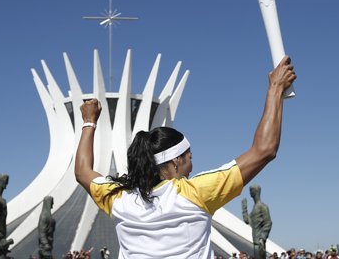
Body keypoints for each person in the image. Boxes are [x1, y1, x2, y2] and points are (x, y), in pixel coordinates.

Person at [74, 56, 296, 258]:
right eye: (189, 157)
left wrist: (89, 121)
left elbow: (83, 171)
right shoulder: (195, 193)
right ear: (175, 161)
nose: (191, 166)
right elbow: (265, 149)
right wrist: (275, 88)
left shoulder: (120, 199)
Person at [242, 184, 272, 259]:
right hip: (256, 241)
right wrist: (244, 208)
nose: (249, 193)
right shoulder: (254, 208)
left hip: (260, 243)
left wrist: (262, 238)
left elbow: (268, 222)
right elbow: (247, 221)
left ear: (255, 192)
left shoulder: (263, 207)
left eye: (250, 191)